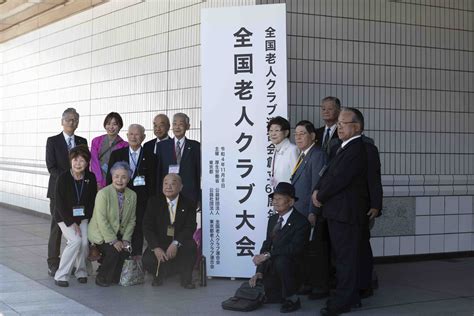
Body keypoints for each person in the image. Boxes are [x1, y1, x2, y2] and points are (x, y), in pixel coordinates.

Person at [313, 108, 369, 316]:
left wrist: (320, 195)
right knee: (343, 257)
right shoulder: (342, 148)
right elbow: (328, 173)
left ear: (357, 127)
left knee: (345, 259)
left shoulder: (357, 149)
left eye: (343, 123)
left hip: (345, 213)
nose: (339, 127)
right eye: (339, 123)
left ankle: (342, 301)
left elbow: (339, 179)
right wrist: (317, 189)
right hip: (337, 212)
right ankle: (352, 297)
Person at [249, 182, 310, 313]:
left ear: (291, 202)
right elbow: (267, 244)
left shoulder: (302, 222)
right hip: (274, 266)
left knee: (282, 260)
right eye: (274, 199)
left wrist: (267, 255)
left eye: (280, 198)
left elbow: (294, 249)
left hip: (293, 267)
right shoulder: (273, 219)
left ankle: (292, 298)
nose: (275, 202)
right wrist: (259, 271)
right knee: (266, 297)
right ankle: (276, 290)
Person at [46, 108, 88, 277]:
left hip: (78, 193)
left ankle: (76, 265)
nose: (72, 122)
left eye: (76, 120)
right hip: (58, 191)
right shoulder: (53, 141)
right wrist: (68, 180)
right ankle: (53, 263)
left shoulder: (82, 140)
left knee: (76, 229)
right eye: (69, 119)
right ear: (62, 122)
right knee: (57, 227)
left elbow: (85, 164)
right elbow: (51, 167)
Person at [290, 120, 329, 300]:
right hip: (300, 211)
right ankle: (308, 283)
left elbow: (316, 186)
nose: (298, 137)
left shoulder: (317, 154)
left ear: (313, 136)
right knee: (304, 250)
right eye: (296, 134)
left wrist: (313, 211)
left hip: (309, 211)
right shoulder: (304, 154)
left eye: (302, 133)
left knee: (315, 251)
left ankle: (319, 287)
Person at [107, 124, 156, 256]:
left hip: (142, 201)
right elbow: (109, 180)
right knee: (119, 228)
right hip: (120, 199)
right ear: (127, 136)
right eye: (131, 134)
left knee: (138, 229)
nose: (134, 137)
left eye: (137, 134)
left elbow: (153, 183)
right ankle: (118, 259)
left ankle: (135, 263)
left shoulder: (151, 157)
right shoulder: (117, 154)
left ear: (143, 137)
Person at [142, 174, 197, 289]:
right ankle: (160, 274)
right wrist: (155, 247)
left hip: (179, 242)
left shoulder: (189, 203)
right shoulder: (154, 202)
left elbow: (190, 226)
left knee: (191, 246)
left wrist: (176, 243)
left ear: (181, 187)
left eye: (173, 183)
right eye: (166, 183)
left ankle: (186, 279)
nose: (168, 186)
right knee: (147, 259)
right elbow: (147, 227)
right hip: (160, 242)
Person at [53, 145, 97, 287]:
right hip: (64, 217)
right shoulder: (63, 177)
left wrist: (86, 221)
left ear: (87, 163)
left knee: (84, 243)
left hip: (83, 217)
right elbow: (59, 203)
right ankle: (61, 275)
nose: (78, 163)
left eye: (82, 160)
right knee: (75, 241)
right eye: (75, 160)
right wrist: (71, 223)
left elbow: (91, 201)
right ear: (71, 161)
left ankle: (81, 272)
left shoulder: (90, 177)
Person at [88, 161, 137, 287]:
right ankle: (102, 277)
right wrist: (114, 241)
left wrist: (126, 239)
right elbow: (101, 220)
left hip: (119, 234)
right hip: (101, 234)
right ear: (112, 177)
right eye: (116, 176)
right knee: (113, 251)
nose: (119, 180)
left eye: (124, 177)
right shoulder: (103, 193)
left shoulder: (132, 195)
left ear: (128, 179)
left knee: (126, 250)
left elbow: (132, 219)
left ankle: (115, 276)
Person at [156, 113, 201, 204]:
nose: (177, 127)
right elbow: (158, 173)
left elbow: (198, 173)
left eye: (181, 124)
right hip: (167, 193)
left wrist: (198, 197)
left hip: (189, 194)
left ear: (187, 126)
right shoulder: (162, 146)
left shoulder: (195, 146)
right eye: (175, 124)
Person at [90, 112, 128, 190]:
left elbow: (123, 167)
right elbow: (94, 162)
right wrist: (98, 182)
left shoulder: (125, 145)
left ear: (120, 126)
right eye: (108, 123)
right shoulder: (96, 141)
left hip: (115, 183)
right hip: (97, 182)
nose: (111, 127)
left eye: (114, 124)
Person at [267, 116, 299, 186]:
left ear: (286, 132)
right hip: (278, 194)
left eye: (277, 130)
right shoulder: (276, 150)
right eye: (271, 130)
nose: (273, 134)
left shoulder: (292, 150)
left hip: (289, 194)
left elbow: (297, 178)